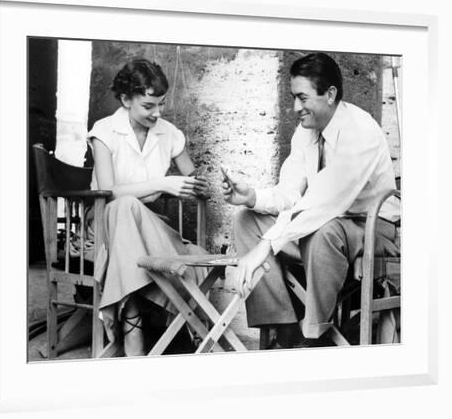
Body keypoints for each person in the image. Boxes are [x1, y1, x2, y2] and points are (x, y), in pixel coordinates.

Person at [223, 53, 400, 348]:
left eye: (302, 98)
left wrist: (266, 245)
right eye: (293, 97)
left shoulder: (360, 130)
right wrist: (252, 196)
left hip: (372, 227)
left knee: (322, 231)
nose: (295, 107)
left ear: (329, 94)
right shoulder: (305, 132)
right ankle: (283, 326)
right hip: (327, 221)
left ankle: (315, 336)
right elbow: (290, 195)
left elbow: (325, 200)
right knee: (246, 220)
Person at [87, 58, 208, 356]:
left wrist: (200, 186)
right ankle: (137, 326)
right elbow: (109, 191)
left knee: (133, 210)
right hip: (106, 222)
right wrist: (162, 184)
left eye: (161, 104)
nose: (157, 113)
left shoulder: (169, 133)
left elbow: (192, 178)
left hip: (150, 224)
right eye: (148, 106)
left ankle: (132, 327)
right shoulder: (104, 131)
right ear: (126, 99)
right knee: (125, 205)